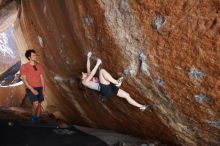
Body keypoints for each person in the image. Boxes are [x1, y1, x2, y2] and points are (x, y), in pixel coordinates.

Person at [81, 52, 148, 111]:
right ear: (82, 78)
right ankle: (116, 82)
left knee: (127, 95)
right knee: (101, 71)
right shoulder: (84, 82)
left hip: (108, 89)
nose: (84, 72)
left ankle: (141, 107)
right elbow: (92, 74)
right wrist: (97, 64)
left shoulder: (87, 77)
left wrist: (88, 57)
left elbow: (88, 67)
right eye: (83, 73)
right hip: (104, 89)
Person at [20, 49, 45, 122]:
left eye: (35, 55)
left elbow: (42, 78)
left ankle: (37, 119)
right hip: (30, 87)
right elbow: (24, 79)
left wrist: (43, 89)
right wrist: (32, 89)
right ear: (29, 57)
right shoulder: (24, 66)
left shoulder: (39, 66)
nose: (35, 56)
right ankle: (33, 118)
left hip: (40, 87)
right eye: (33, 55)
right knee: (36, 103)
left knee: (39, 103)